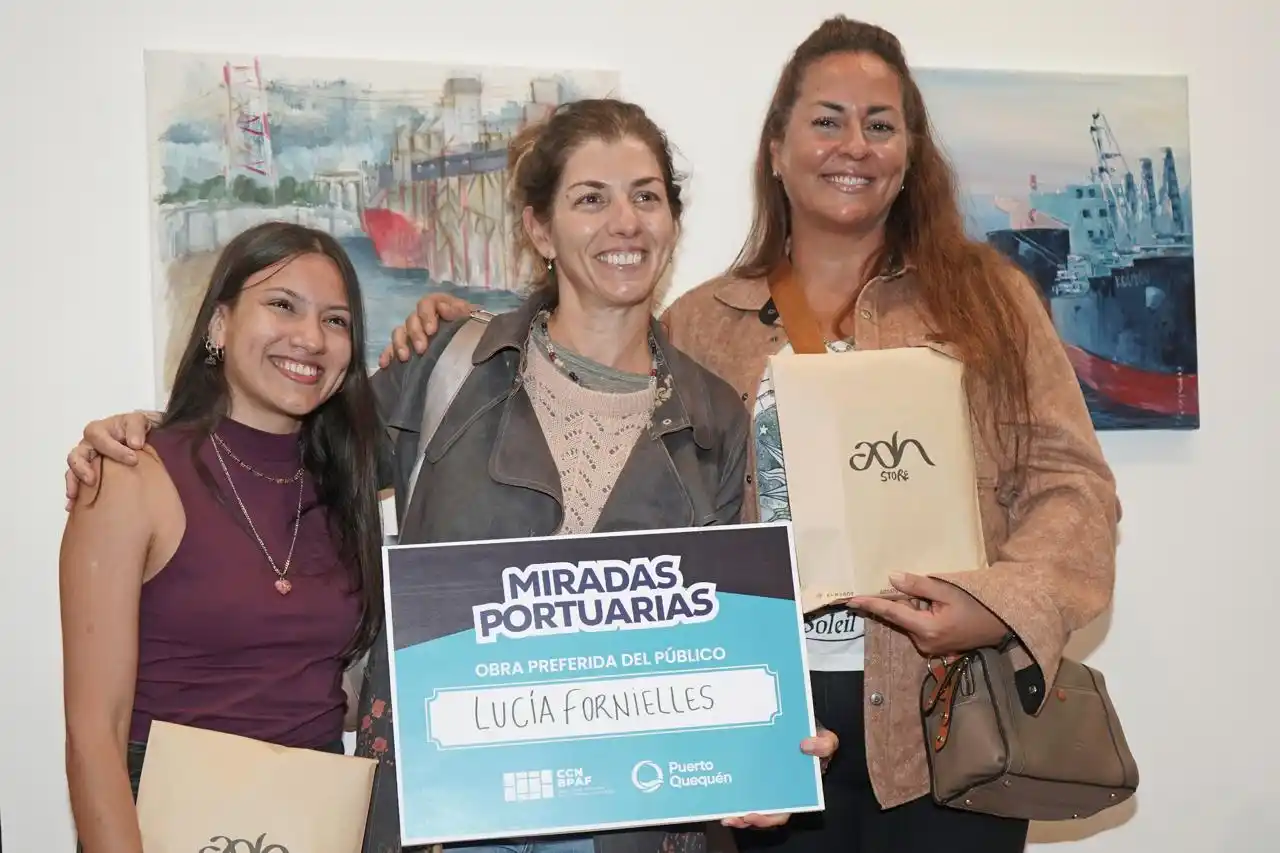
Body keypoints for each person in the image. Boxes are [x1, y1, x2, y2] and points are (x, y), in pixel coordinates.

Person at [371, 16, 1121, 853]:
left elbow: (1074, 489)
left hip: (941, 724)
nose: (855, 145)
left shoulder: (991, 301)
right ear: (776, 147)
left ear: (911, 151)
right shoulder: (698, 327)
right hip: (759, 724)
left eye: (881, 124)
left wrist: (993, 607)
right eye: (828, 119)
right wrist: (462, 329)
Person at [61, 99, 837, 853]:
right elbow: (278, 456)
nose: (625, 223)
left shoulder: (716, 419)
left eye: (646, 197)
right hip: (448, 814)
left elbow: (723, 639)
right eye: (590, 198)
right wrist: (149, 433)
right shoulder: (447, 366)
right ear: (539, 226)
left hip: (630, 821)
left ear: (672, 219)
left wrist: (772, 748)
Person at [59, 221, 385, 853]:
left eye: (336, 321)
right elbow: (92, 734)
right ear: (219, 325)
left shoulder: (346, 487)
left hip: (315, 825)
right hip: (166, 827)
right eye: (282, 305)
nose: (311, 338)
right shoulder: (130, 474)